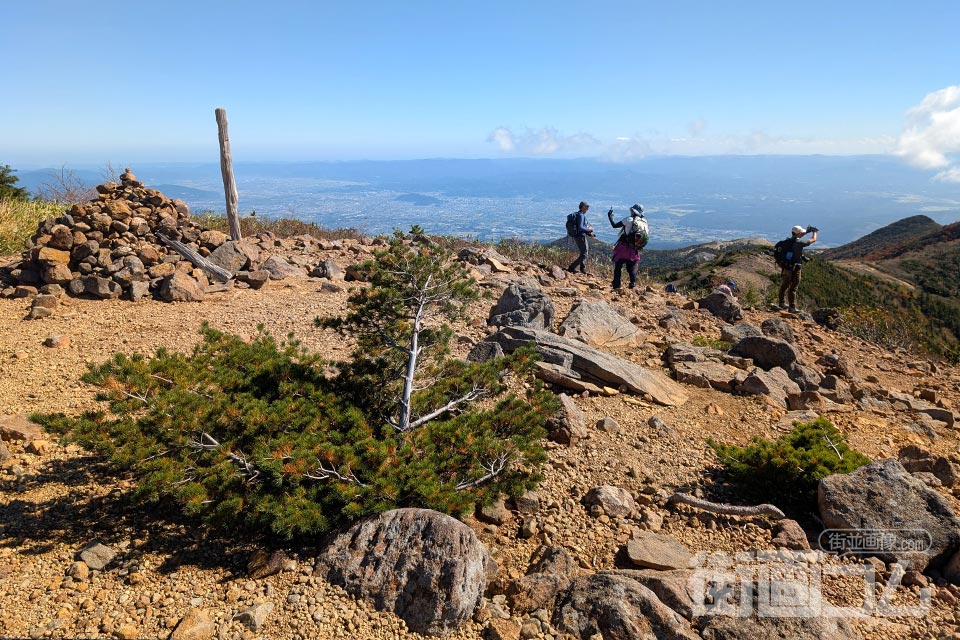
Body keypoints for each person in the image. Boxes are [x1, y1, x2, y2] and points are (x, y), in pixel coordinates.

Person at [778, 224, 818, 312]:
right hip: (796, 267)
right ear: (799, 234)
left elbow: (799, 235)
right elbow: (813, 240)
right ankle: (792, 308)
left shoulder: (787, 242)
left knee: (785, 284)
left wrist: (806, 232)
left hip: (786, 267)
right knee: (793, 287)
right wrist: (814, 232)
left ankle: (781, 303)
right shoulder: (799, 243)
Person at [608, 204, 648, 289]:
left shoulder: (629, 219)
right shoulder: (644, 222)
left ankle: (616, 285)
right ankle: (632, 284)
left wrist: (610, 216)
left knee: (618, 266)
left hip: (623, 247)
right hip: (634, 249)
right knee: (631, 268)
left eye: (631, 210)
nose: (630, 211)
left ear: (633, 211)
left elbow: (614, 225)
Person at [567, 201, 595, 274]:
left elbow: (581, 227)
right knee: (584, 254)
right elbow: (581, 227)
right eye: (587, 206)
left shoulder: (579, 214)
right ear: (582, 207)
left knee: (583, 253)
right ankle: (572, 267)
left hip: (579, 236)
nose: (588, 208)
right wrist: (589, 229)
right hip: (580, 237)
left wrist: (589, 234)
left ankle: (583, 269)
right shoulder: (581, 215)